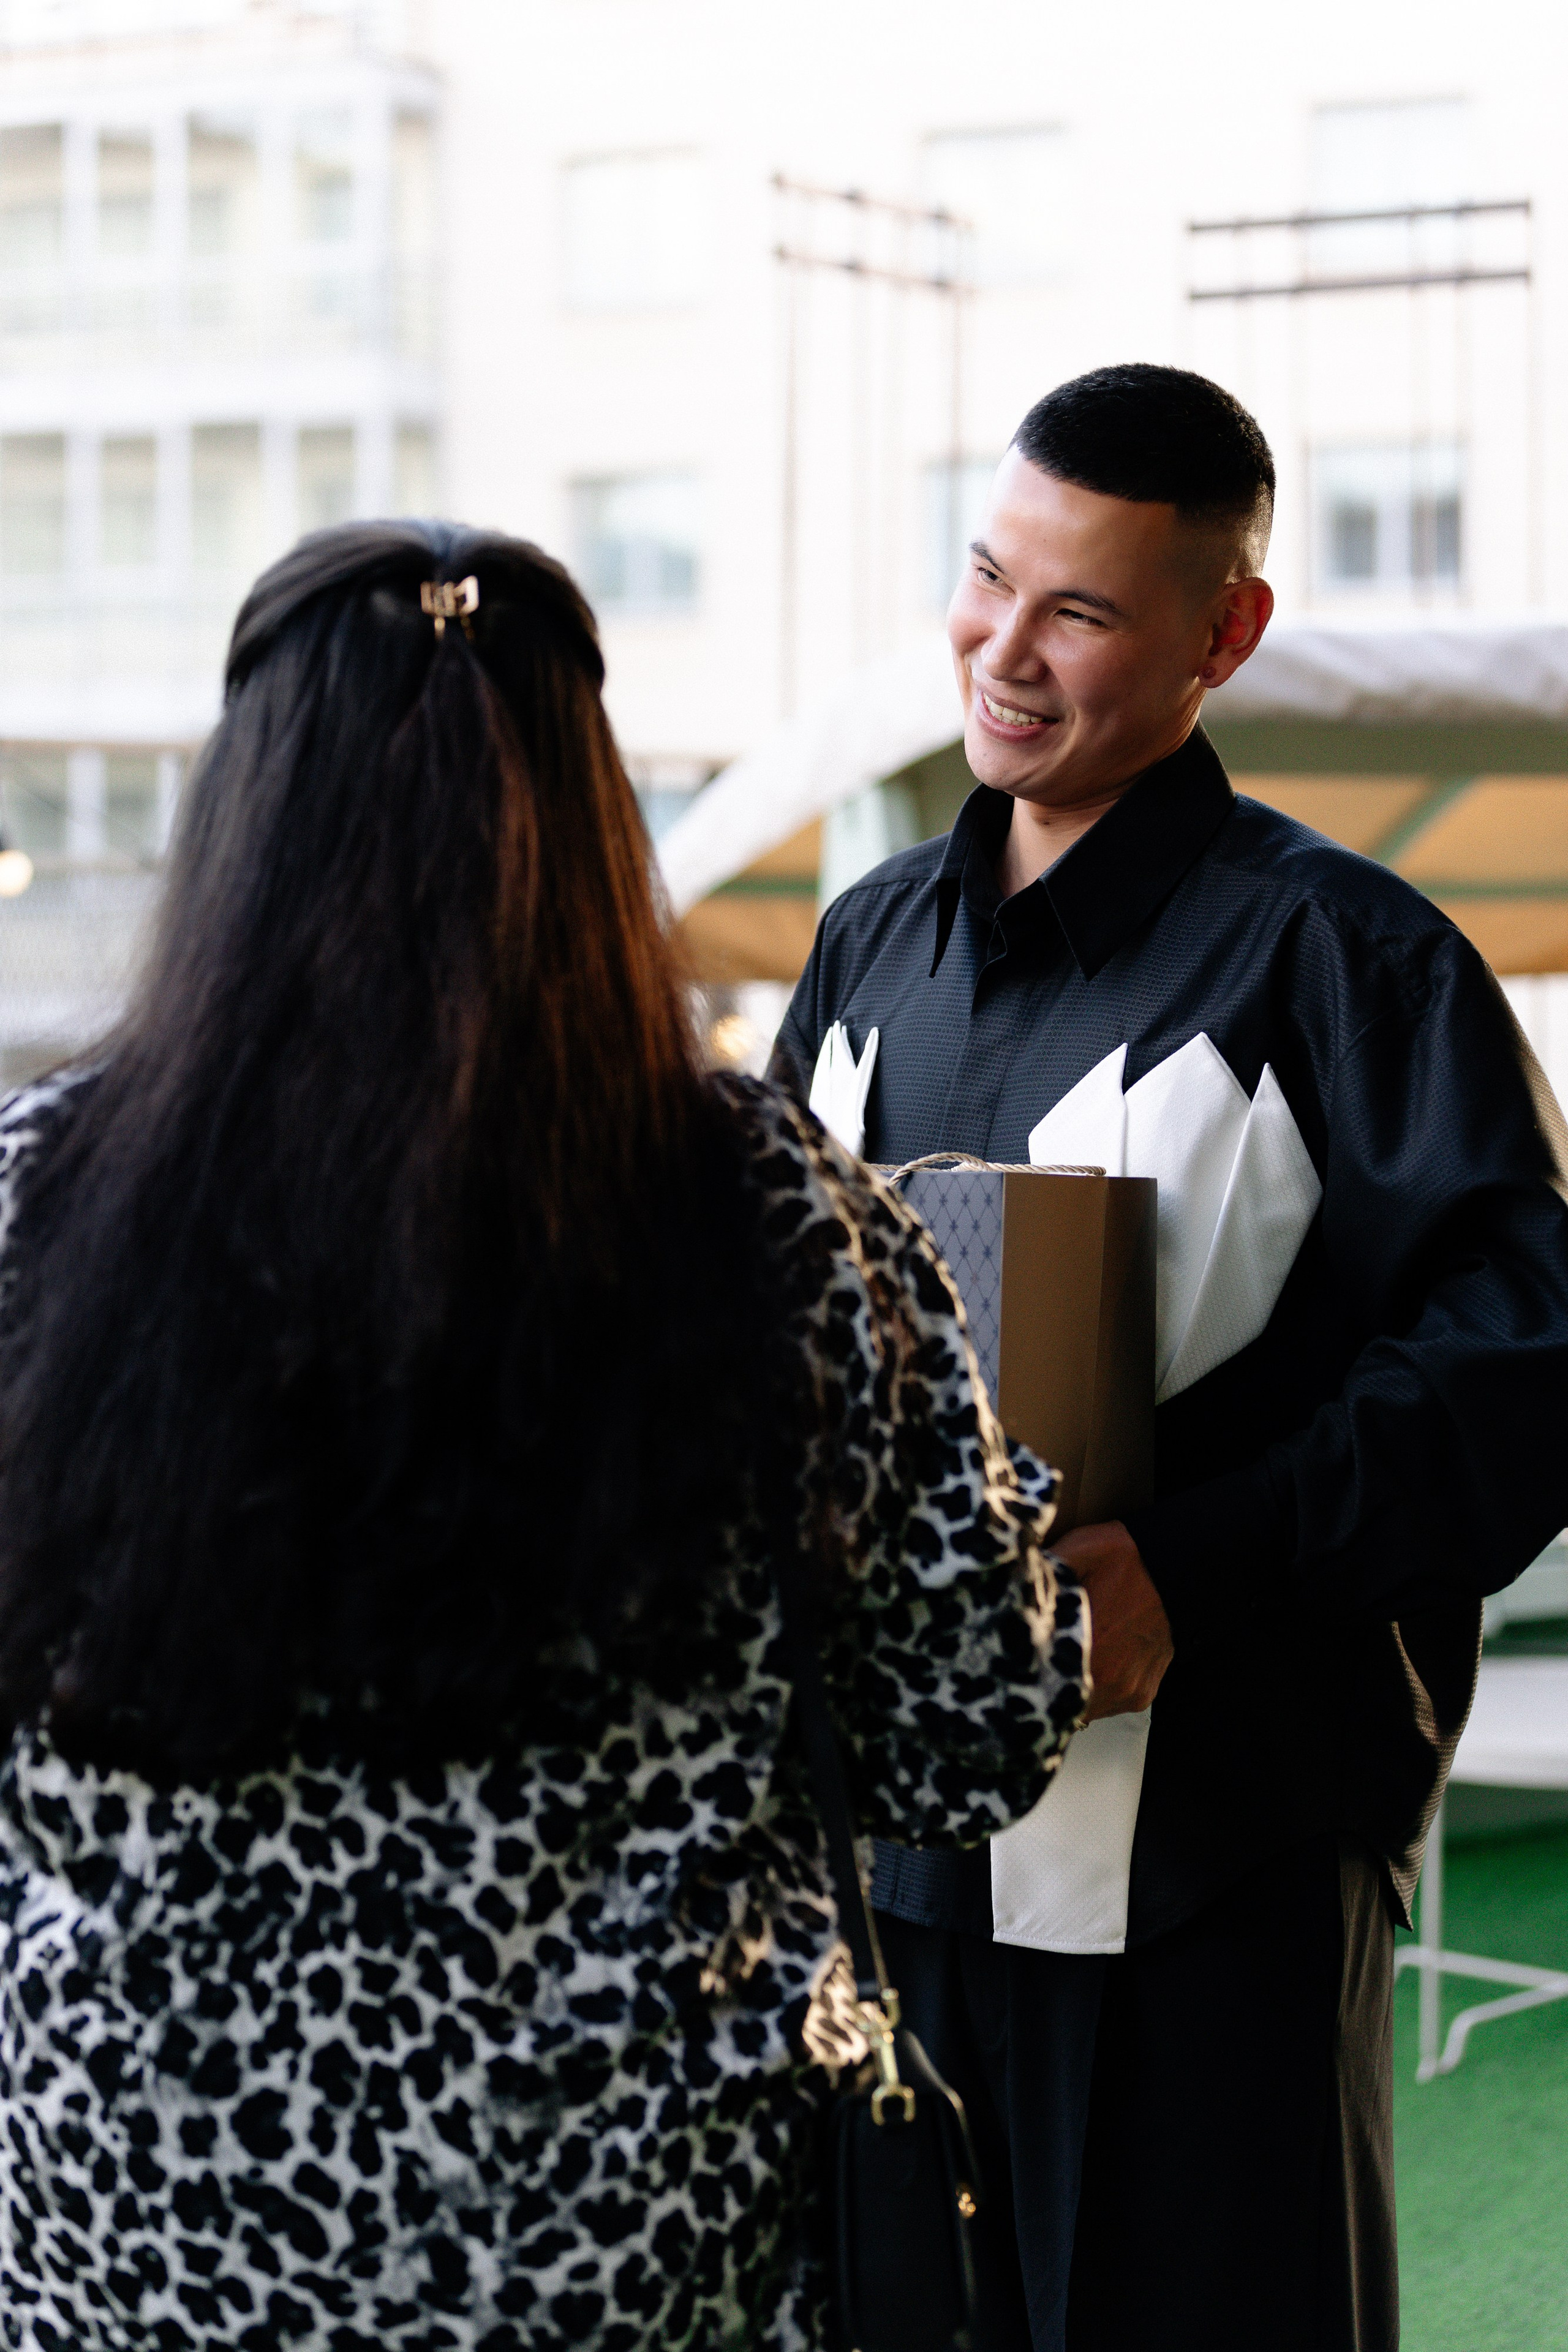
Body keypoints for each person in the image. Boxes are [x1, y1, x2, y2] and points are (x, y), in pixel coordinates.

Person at [0, 521, 1088, 2350]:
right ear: (591, 824)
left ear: (237, 812)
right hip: (628, 2237)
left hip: (129, 2218)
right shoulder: (777, 1210)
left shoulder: (32, 1199)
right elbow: (971, 1726)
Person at [769, 363, 1568, 2351]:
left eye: (1085, 614)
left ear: (1229, 633)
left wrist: (1191, 1570)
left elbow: (1524, 1373)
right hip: (890, 1868)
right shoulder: (867, 946)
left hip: (1216, 1868)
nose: (1005, 655)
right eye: (988, 581)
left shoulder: (1348, 962)